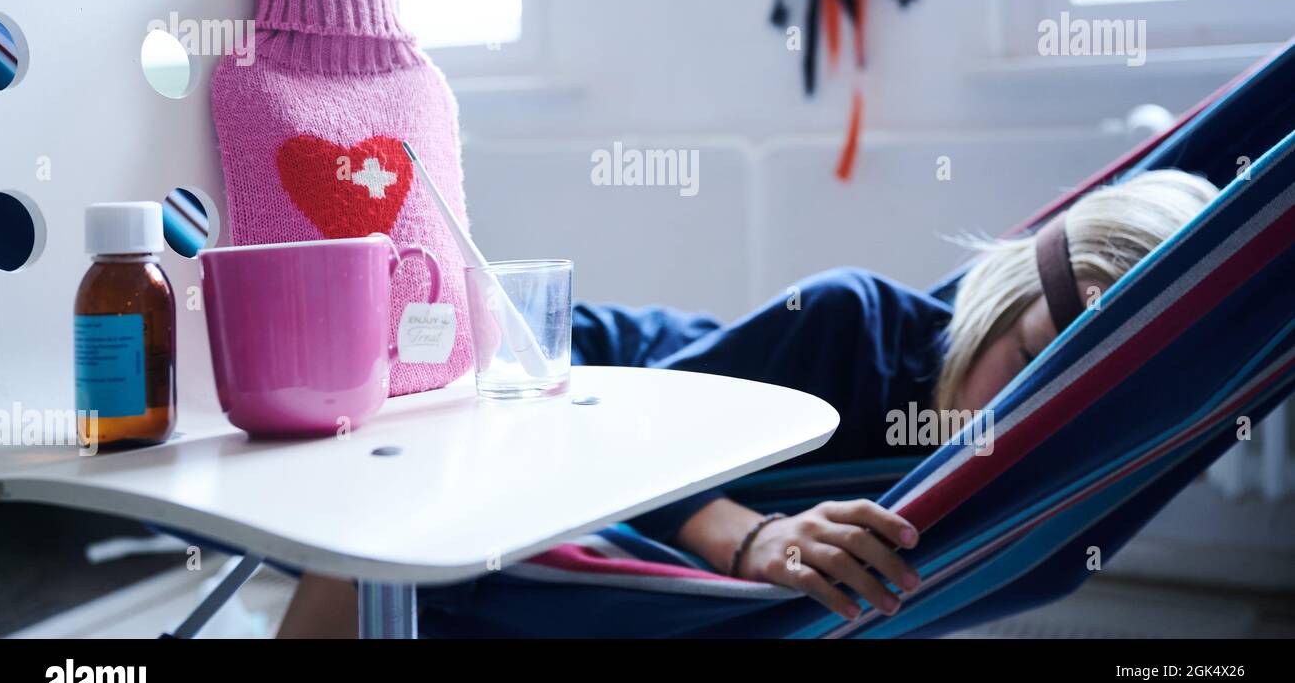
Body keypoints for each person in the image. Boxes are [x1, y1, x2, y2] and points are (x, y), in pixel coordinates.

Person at [276, 168, 1218, 636]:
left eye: (1052, 394)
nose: (1012, 406)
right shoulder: (850, 321)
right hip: (562, 384)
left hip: (638, 464)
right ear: (1007, 288)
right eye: (1020, 355)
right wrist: (750, 537)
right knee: (415, 537)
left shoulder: (1053, 475)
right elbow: (628, 435)